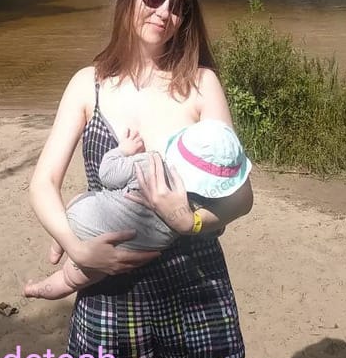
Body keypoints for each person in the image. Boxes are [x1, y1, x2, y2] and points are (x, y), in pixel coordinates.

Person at [27, 0, 253, 358]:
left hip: (198, 282)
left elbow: (241, 196)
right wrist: (79, 249)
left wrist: (187, 219)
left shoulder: (202, 84)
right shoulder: (87, 85)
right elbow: (42, 183)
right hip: (111, 290)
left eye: (179, 6)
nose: (164, 12)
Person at [25, 118, 252, 299]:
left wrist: (123, 150)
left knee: (81, 201)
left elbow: (107, 174)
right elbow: (214, 226)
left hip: (83, 215)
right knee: (69, 279)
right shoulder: (199, 209)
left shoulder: (149, 164)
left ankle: (58, 245)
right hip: (113, 254)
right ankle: (37, 290)